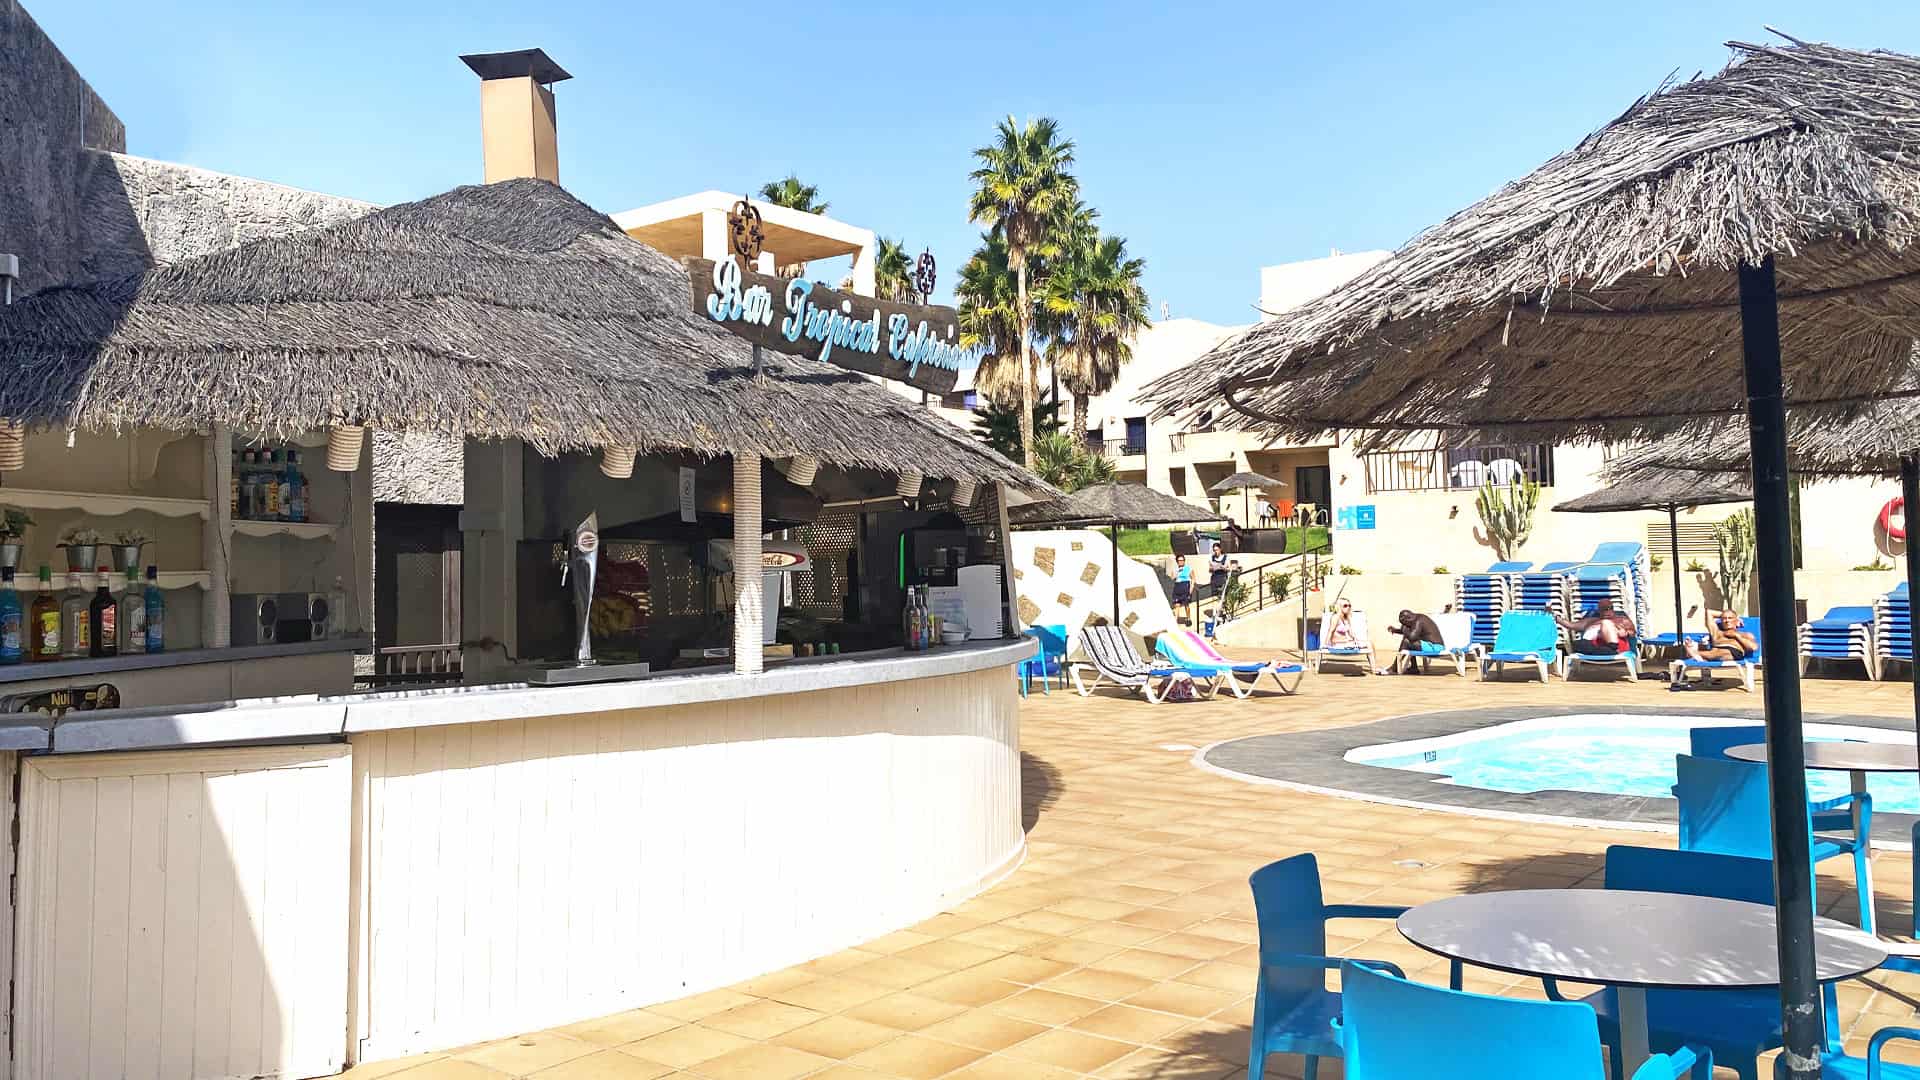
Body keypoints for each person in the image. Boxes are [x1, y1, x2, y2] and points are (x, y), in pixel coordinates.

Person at [1559, 598, 1637, 657]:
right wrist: (1556, 618)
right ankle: (1602, 650)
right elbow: (1571, 625)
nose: (1607, 612)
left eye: (1609, 609)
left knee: (1606, 623)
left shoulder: (1622, 620)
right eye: (1603, 610)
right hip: (1595, 646)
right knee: (1578, 644)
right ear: (1599, 611)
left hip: (1617, 648)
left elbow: (1632, 633)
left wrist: (1624, 632)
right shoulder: (1591, 621)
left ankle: (1612, 648)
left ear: (1613, 609)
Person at [1382, 609, 1445, 674]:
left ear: (1408, 619)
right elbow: (1410, 633)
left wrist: (1404, 628)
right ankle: (1413, 668)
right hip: (1431, 646)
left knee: (1407, 642)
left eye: (1404, 623)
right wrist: (1395, 630)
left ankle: (1394, 668)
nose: (1404, 625)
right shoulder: (1417, 618)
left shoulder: (1419, 621)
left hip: (1435, 648)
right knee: (1409, 641)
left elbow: (1412, 637)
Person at [1685, 609, 1756, 662]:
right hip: (1714, 651)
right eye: (1724, 618)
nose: (1727, 621)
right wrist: (1726, 614)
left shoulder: (1745, 634)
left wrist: (1737, 636)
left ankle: (1695, 653)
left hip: (1733, 652)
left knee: (1722, 652)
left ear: (1736, 621)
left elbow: (1753, 647)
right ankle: (1698, 655)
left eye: (1730, 618)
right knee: (1715, 651)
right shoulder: (1716, 632)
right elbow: (1709, 612)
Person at [1170, 554, 1194, 624]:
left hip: (1185, 586)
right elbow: (1172, 578)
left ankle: (1188, 618)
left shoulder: (1189, 568)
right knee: (1177, 604)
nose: (1181, 562)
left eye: (1182, 560)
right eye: (1179, 560)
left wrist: (1191, 588)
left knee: (1186, 605)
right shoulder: (1175, 569)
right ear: (1177, 561)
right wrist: (1177, 572)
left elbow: (1193, 578)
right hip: (1177, 587)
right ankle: (1175, 620)